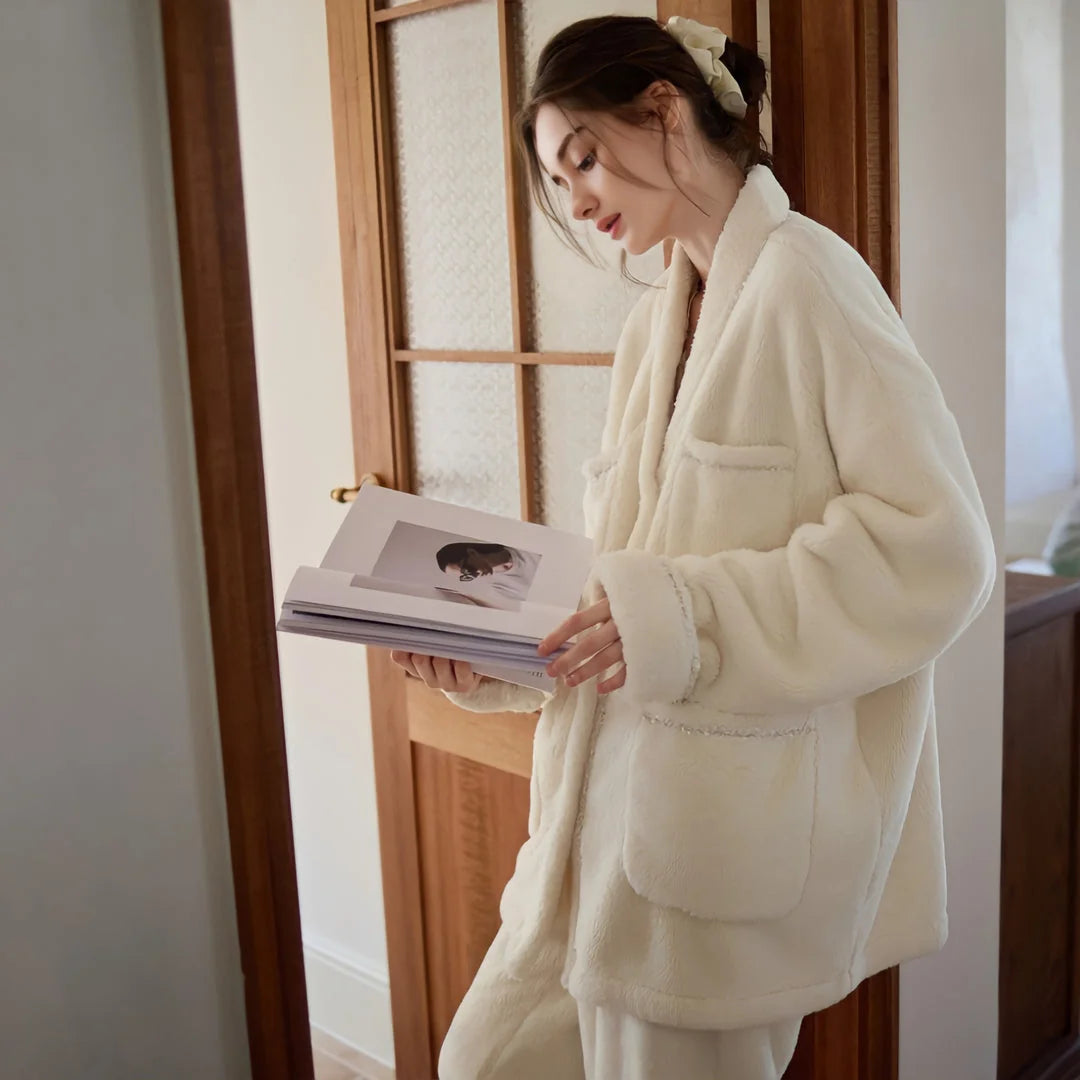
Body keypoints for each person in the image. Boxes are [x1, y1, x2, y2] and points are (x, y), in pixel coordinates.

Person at [391, 14, 996, 1080]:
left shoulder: (812, 281)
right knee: (480, 1062)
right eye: (559, 180)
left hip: (708, 861)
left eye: (583, 157)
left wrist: (685, 619)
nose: (577, 201)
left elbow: (938, 552)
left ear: (664, 109)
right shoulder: (652, 327)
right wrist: (495, 656)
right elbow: (622, 581)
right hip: (585, 846)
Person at [435, 541, 540, 609]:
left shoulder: (522, 546)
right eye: (465, 577)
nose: (474, 575)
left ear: (472, 552)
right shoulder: (500, 589)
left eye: (466, 569)